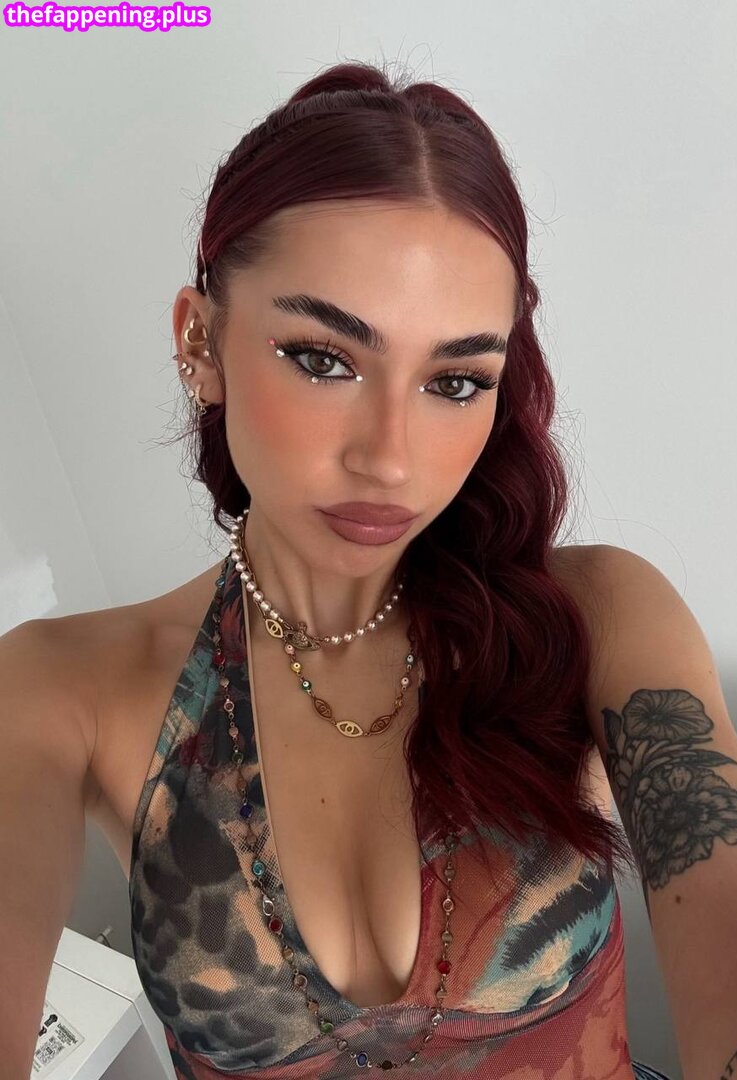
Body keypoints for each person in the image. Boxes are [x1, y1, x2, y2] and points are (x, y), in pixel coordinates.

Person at [0, 61, 673, 1079]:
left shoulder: (587, 623)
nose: (390, 460)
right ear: (200, 341)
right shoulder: (64, 690)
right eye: (324, 359)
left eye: (456, 381)